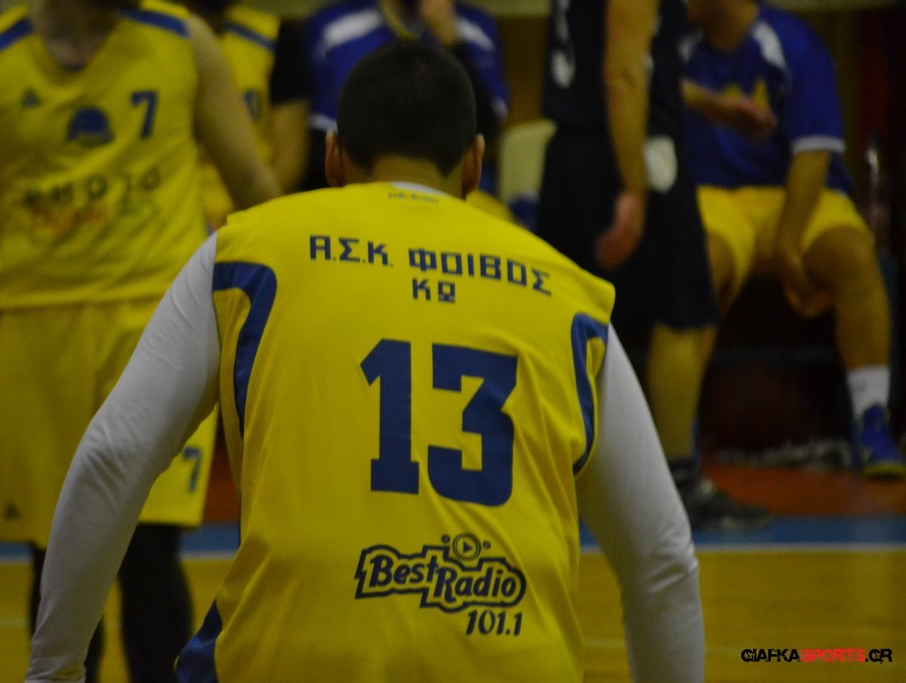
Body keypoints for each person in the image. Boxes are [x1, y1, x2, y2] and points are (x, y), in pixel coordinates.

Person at [26, 41, 704, 682]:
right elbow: (664, 556)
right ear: (474, 164)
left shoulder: (250, 252)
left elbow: (114, 453)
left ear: (332, 157)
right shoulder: (569, 294)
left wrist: (55, 670)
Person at [0, 1, 280, 681]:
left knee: (150, 551)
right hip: (37, 333)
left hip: (157, 328)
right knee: (57, 559)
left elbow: (252, 182)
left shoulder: (184, 42)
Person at [537, 0, 772, 530]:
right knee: (685, 312)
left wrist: (711, 105)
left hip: (571, 153)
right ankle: (678, 484)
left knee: (569, 321)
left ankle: (558, 476)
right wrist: (635, 191)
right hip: (634, 152)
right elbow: (622, 75)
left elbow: (620, 63)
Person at [682, 0, 906, 479]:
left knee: (853, 255)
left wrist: (786, 245)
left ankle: (871, 419)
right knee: (696, 265)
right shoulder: (674, 43)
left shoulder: (792, 42)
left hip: (796, 195)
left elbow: (813, 153)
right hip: (713, 196)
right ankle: (680, 430)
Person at [301, 0, 512, 220]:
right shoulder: (331, 29)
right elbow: (319, 145)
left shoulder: (477, 28)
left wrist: (454, 44)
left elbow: (487, 130)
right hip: (358, 202)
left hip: (468, 202)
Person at [188, 0, 311, 226]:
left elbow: (290, 161)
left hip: (251, 213)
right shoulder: (155, 37)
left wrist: (236, 221)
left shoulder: (274, 36)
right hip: (174, 222)